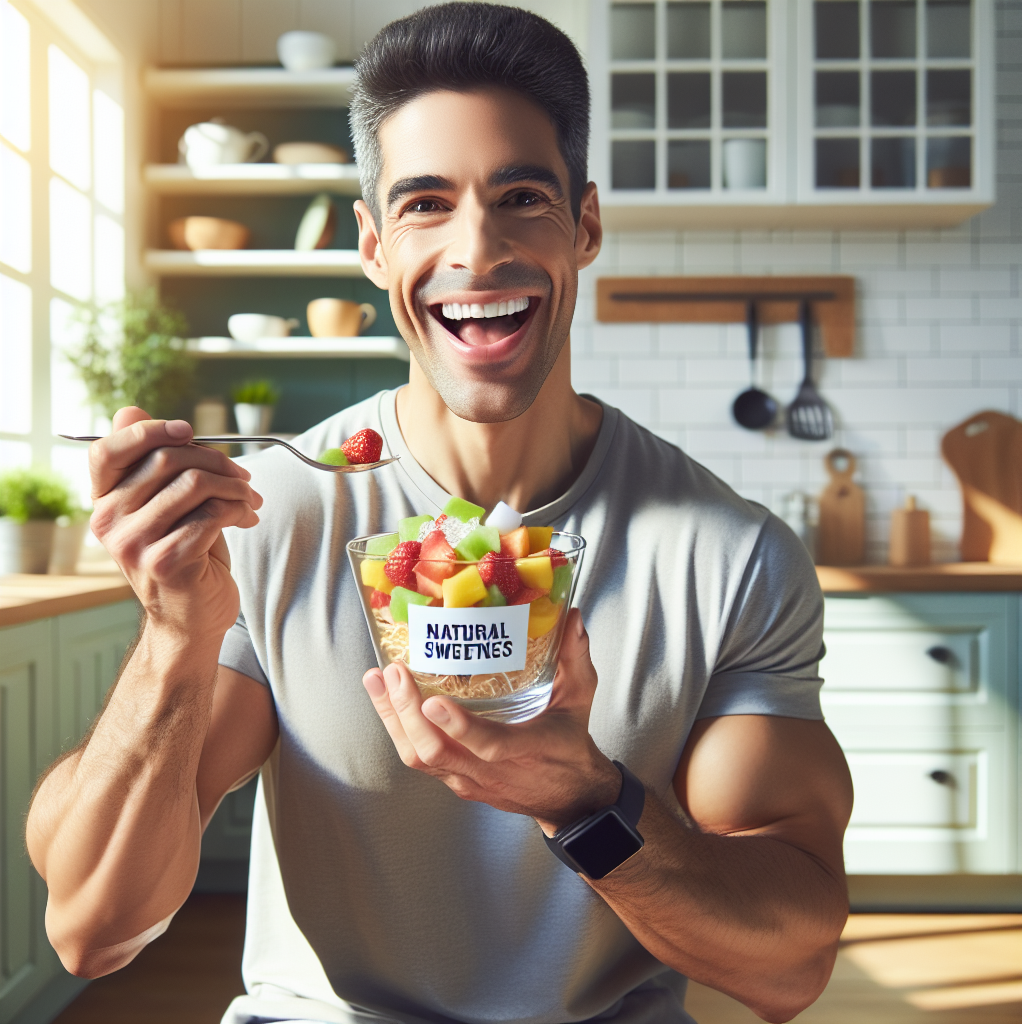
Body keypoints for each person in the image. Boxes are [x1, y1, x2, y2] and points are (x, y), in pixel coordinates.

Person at [27, 5, 853, 1023]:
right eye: (425, 204)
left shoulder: (731, 556)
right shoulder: (274, 514)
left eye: (520, 197)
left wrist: (587, 801)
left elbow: (787, 968)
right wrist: (173, 639)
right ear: (372, 244)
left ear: (584, 226)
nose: (478, 248)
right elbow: (94, 927)